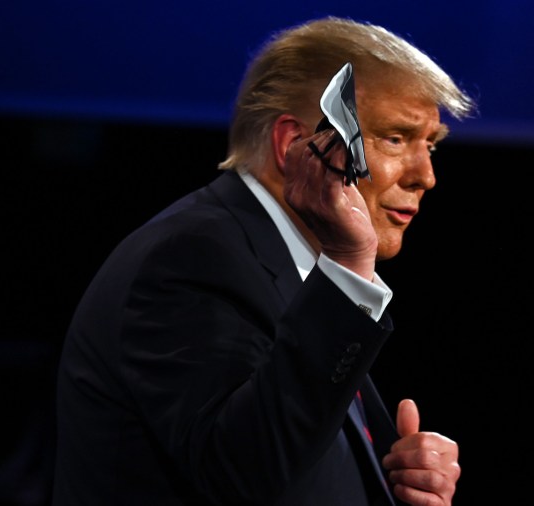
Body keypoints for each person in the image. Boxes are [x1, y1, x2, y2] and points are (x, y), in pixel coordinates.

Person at [52, 16, 475, 506]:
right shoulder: (191, 260)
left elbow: (295, 457)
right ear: (295, 145)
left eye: (432, 145)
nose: (426, 176)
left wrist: (392, 480)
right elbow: (241, 474)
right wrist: (348, 266)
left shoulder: (283, 266)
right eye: (396, 138)